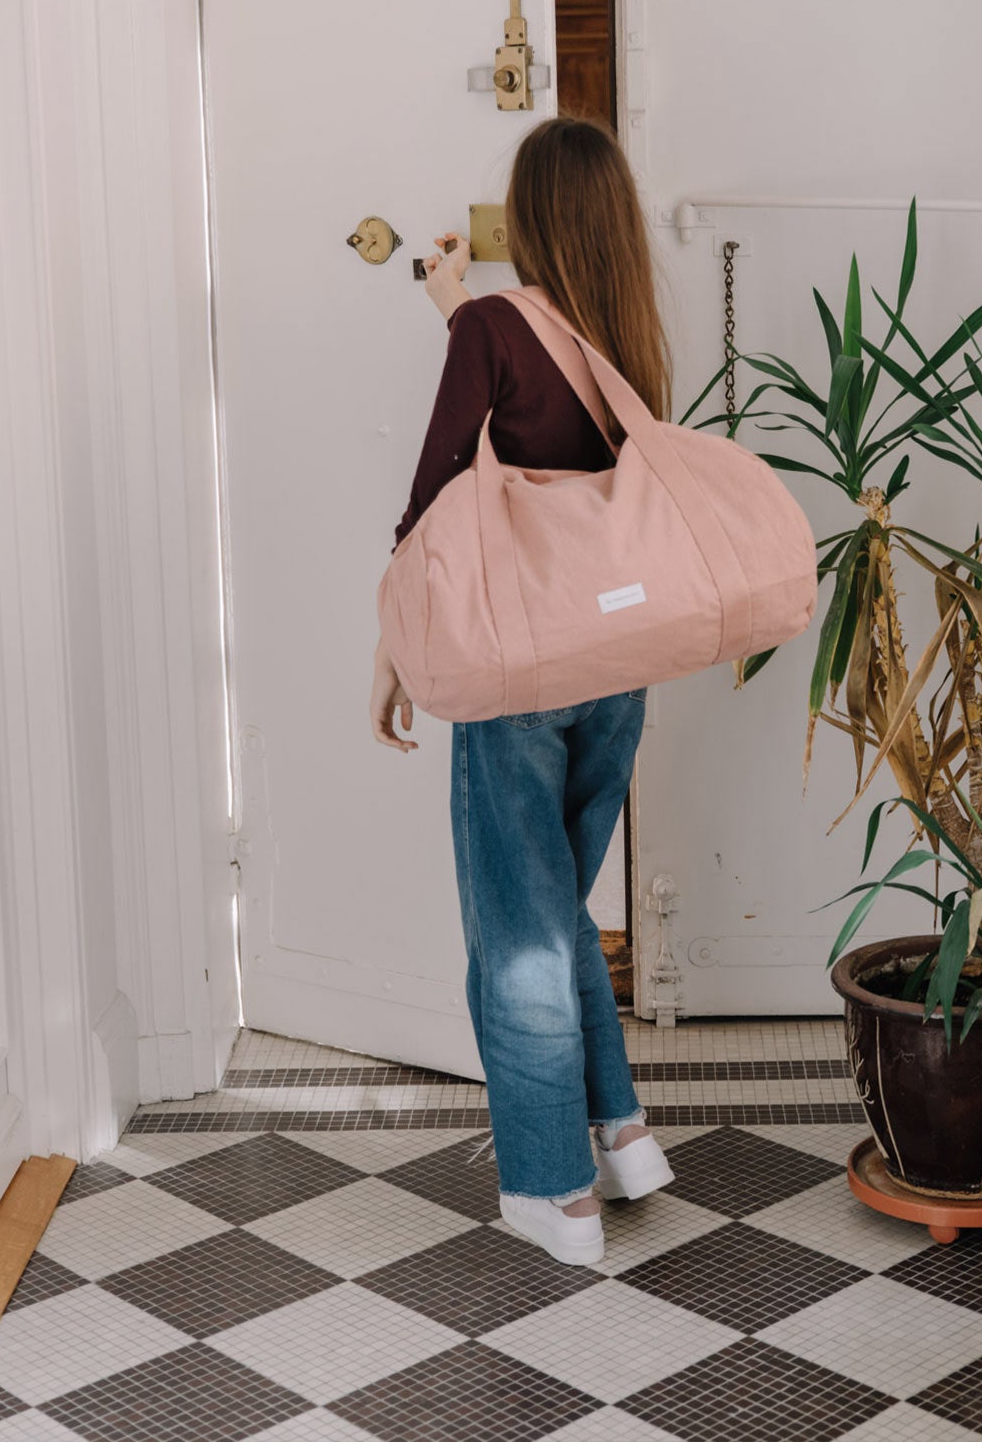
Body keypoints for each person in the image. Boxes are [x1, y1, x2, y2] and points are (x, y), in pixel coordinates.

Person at [369, 116, 678, 1268]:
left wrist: (393, 644)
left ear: (530, 218)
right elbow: (545, 411)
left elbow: (442, 486)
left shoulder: (498, 328)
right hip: (617, 674)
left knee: (517, 935)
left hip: (516, 673)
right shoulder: (630, 338)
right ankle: (625, 1132)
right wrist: (456, 306)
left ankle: (557, 1193)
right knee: (550, 912)